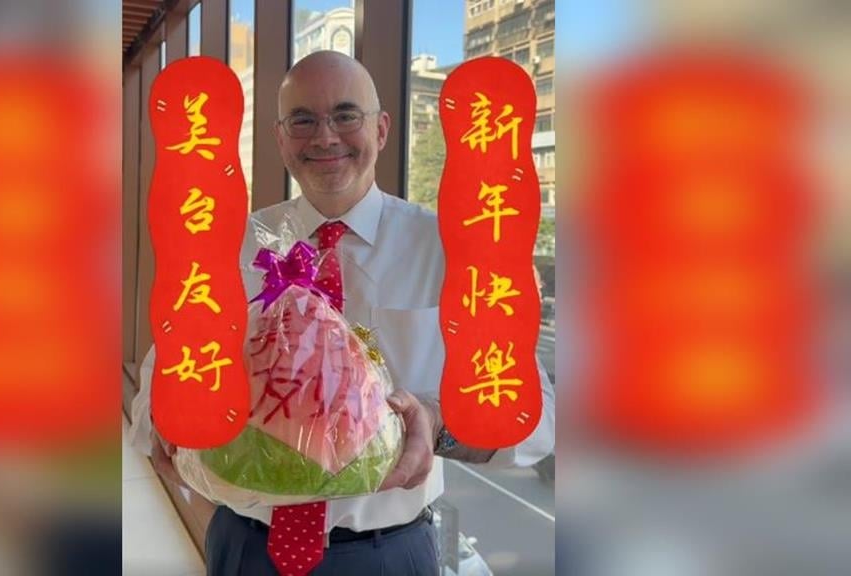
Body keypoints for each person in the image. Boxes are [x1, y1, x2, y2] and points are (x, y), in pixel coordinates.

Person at [130, 50, 555, 575]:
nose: (325, 137)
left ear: (382, 129)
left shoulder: (452, 248)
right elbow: (156, 387)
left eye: (346, 115)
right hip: (245, 546)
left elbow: (535, 425)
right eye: (302, 120)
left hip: (389, 552)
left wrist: (436, 422)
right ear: (280, 138)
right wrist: (169, 420)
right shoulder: (227, 245)